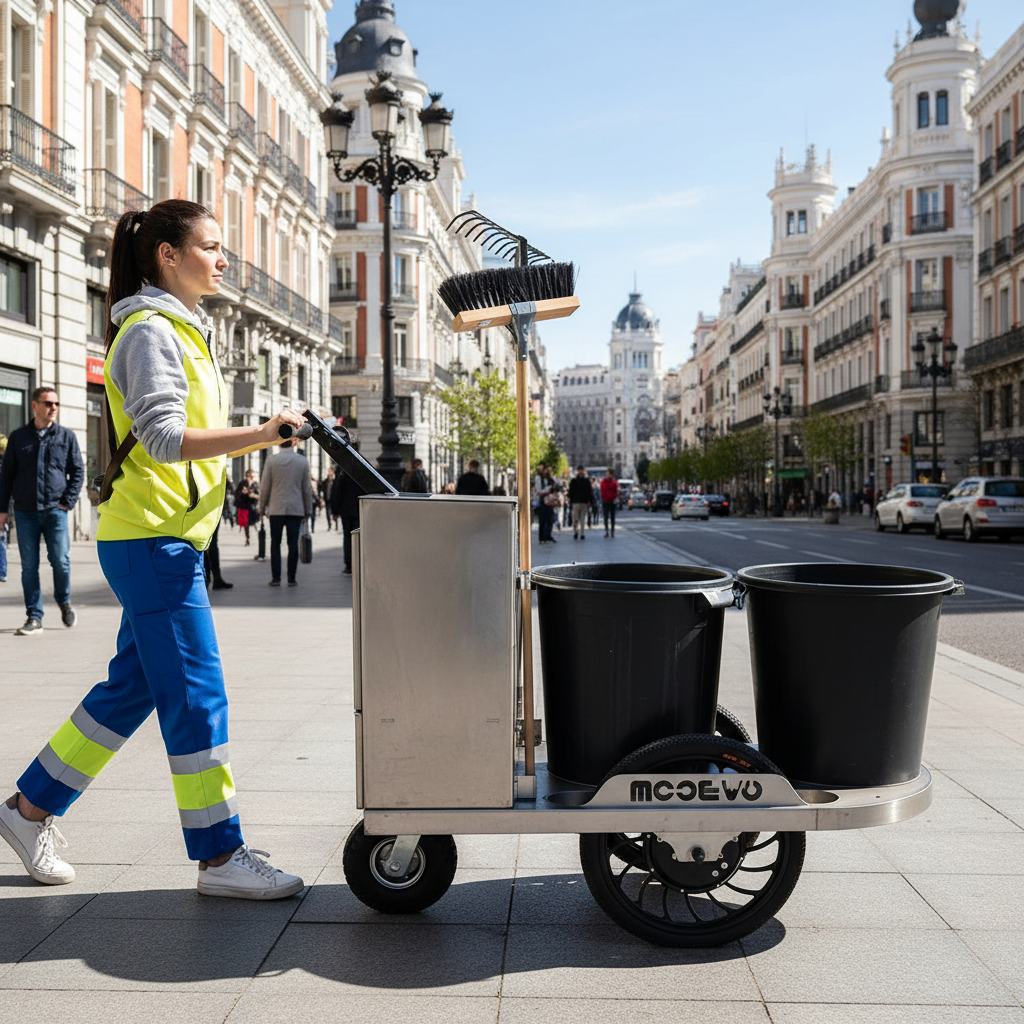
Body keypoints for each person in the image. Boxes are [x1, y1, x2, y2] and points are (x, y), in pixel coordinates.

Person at [0, 200, 304, 898]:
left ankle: (27, 810)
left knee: (128, 692)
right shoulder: (147, 331)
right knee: (197, 693)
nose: (223, 259)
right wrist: (263, 435)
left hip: (167, 538)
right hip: (152, 540)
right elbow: (166, 440)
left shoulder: (182, 331)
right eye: (211, 246)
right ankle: (221, 856)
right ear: (168, 255)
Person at [0, 386, 85, 635]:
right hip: (25, 511)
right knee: (29, 566)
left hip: (55, 510)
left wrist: (67, 501)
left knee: (61, 561)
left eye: (56, 404)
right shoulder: (18, 437)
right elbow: (6, 476)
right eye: (48, 403)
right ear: (35, 405)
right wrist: (2, 510)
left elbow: (78, 471)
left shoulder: (66, 436)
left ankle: (64, 600)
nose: (53, 408)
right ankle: (34, 616)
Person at [258, 439, 312, 587]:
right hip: (296, 508)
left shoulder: (272, 460)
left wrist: (261, 508)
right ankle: (291, 577)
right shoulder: (302, 461)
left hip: (276, 508)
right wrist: (308, 510)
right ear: (293, 443)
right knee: (293, 544)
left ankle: (276, 578)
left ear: (279, 442)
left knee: (275, 543)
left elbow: (265, 487)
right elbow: (307, 488)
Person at [331, 467, 364, 575]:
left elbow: (336, 489)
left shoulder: (341, 469)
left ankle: (349, 564)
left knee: (347, 537)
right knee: (359, 536)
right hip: (358, 508)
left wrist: (335, 510)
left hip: (345, 510)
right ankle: (358, 562)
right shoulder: (361, 467)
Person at [567, 465, 592, 540]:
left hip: (584, 502)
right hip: (576, 502)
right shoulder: (574, 481)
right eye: (579, 470)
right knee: (575, 519)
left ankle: (582, 533)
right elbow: (570, 491)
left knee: (582, 519)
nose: (581, 472)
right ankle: (575, 531)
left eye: (582, 470)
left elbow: (589, 491)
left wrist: (590, 501)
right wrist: (570, 499)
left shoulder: (587, 481)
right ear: (577, 471)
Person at [234, 469, 258, 546]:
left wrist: (253, 495)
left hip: (252, 507)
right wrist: (242, 493)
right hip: (244, 507)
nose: (251, 478)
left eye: (252, 476)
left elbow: (259, 494)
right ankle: (248, 538)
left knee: (254, 523)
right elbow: (237, 494)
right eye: (250, 476)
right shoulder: (242, 483)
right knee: (246, 524)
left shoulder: (255, 484)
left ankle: (254, 538)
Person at [599, 468, 619, 537]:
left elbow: (616, 492)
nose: (609, 475)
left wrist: (612, 498)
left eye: (610, 474)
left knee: (612, 518)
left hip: (612, 502)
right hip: (606, 501)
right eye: (608, 474)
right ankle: (607, 531)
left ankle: (612, 532)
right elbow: (602, 491)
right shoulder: (604, 482)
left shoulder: (614, 482)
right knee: (606, 517)